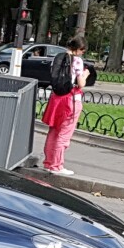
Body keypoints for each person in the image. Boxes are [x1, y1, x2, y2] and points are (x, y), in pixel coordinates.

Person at [41, 37, 88, 175]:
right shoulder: (77, 61)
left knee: (54, 131)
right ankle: (57, 165)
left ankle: (48, 162)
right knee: (64, 133)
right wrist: (85, 74)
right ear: (78, 49)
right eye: (82, 50)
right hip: (70, 99)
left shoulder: (59, 57)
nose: (82, 53)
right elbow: (81, 84)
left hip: (57, 98)